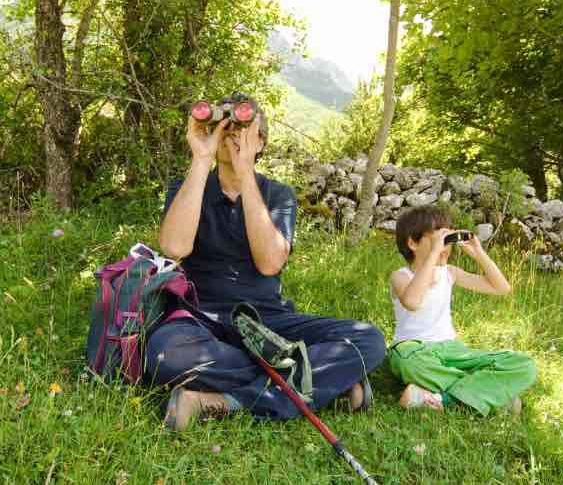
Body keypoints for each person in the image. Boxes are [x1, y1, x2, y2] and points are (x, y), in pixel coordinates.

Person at [147, 92, 385, 430]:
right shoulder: (188, 187)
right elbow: (174, 247)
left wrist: (245, 176)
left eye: (243, 131)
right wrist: (201, 160)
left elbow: (270, 263)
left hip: (266, 321)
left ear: (261, 142)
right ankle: (320, 382)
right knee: (164, 355)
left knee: (368, 340)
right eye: (224, 130)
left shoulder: (277, 195)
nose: (232, 136)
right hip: (200, 316)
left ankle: (222, 401)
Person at [388, 205, 536, 415]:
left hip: (452, 349)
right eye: (437, 240)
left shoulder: (449, 273)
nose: (445, 247)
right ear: (412, 243)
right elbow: (412, 301)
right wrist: (433, 256)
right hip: (413, 350)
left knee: (525, 365)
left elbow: (501, 288)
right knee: (408, 364)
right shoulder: (400, 276)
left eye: (447, 241)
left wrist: (479, 254)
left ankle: (440, 399)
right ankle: (489, 394)